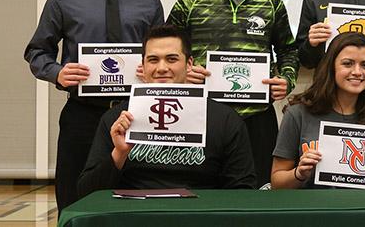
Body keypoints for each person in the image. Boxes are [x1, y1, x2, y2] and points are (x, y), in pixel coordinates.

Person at [24, 0, 163, 212]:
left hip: (134, 113)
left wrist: (152, 69)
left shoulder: (148, 0)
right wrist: (58, 72)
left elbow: (161, 53)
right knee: (74, 194)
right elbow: (37, 52)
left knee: (135, 193)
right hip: (82, 115)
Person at [167, 0, 298, 187]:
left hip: (257, 117)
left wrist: (287, 79)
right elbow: (168, 53)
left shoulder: (269, 1)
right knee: (207, 193)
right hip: (204, 116)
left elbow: (288, 50)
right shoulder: (190, 3)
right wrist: (184, 74)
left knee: (260, 191)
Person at [77, 24, 255, 196]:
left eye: (172, 59)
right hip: (133, 215)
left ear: (189, 64)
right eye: (153, 60)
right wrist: (119, 153)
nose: (162, 68)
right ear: (143, 66)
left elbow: (242, 190)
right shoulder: (117, 120)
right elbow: (86, 192)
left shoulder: (225, 119)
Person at [271, 32, 365, 189]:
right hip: (310, 210)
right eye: (348, 63)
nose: (357, 72)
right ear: (331, 67)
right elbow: (276, 183)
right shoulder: (298, 114)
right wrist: (299, 174)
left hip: (360, 211)